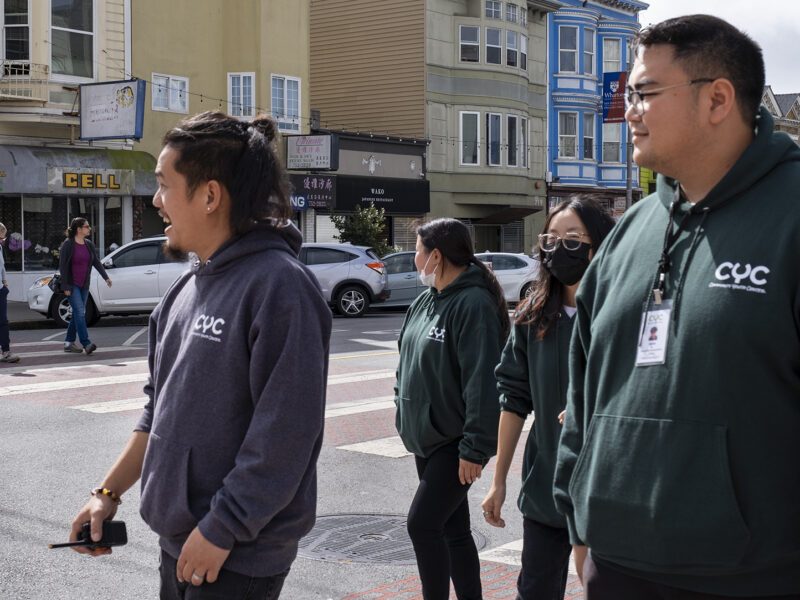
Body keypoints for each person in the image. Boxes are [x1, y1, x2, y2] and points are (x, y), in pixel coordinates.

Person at [553, 14, 800, 599]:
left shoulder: (790, 216)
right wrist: (576, 518)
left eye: (643, 93)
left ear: (717, 99)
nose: (627, 110)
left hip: (755, 579)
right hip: (614, 566)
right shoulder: (628, 229)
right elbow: (584, 389)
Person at [69, 111, 332, 600]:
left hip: (236, 550)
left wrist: (222, 528)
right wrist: (106, 493)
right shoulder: (184, 289)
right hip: (183, 538)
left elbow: (286, 435)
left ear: (210, 195)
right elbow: (158, 409)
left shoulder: (281, 287)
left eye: (165, 185)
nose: (156, 201)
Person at [481, 196, 614, 600]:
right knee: (535, 590)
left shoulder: (621, 313)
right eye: (552, 238)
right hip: (546, 486)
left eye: (574, 237)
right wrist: (499, 480)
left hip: (607, 488)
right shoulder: (531, 316)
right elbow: (513, 400)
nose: (560, 247)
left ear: (600, 245)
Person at [394, 218, 510, 600]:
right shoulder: (426, 300)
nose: (415, 259)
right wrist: (402, 405)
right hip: (426, 438)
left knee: (422, 526)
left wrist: (475, 448)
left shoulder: (473, 304)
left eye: (417, 251)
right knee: (453, 530)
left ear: (437, 256)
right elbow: (405, 360)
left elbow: (483, 381)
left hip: (455, 442)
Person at [58, 218, 112, 355]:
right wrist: (65, 286)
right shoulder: (68, 245)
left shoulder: (88, 244)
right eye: (87, 226)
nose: (89, 228)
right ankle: (86, 343)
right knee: (80, 312)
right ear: (79, 229)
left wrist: (106, 277)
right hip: (72, 285)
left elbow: (96, 262)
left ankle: (69, 343)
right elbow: (63, 267)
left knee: (77, 314)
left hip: (84, 284)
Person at [0, 222, 20, 363]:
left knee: (3, 322)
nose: (2, 241)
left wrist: (5, 283)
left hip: (0, 290)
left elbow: (2, 267)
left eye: (3, 239)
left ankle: (6, 351)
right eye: (1, 238)